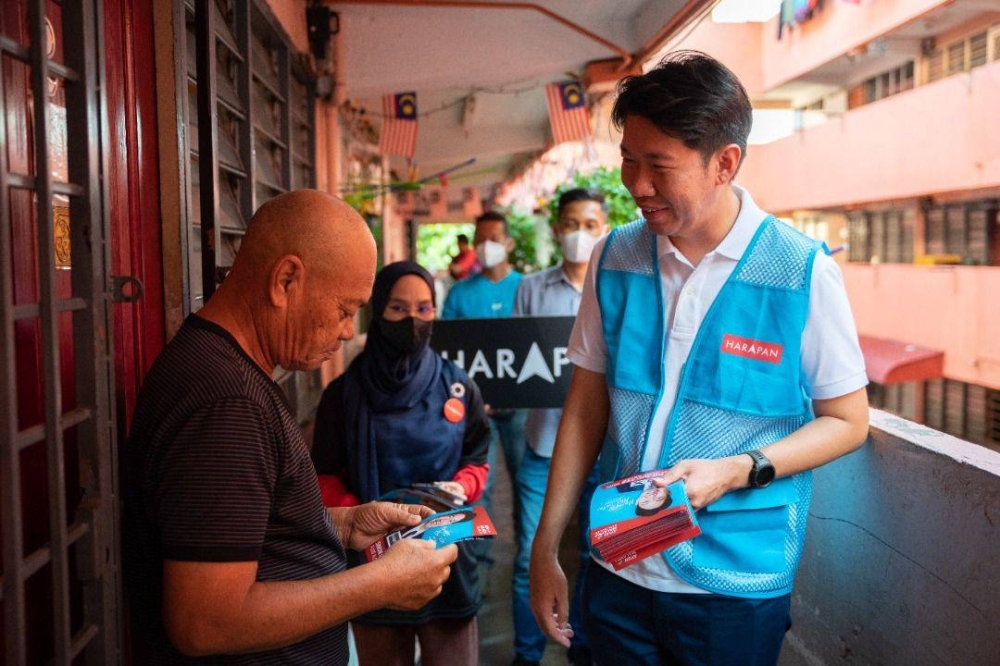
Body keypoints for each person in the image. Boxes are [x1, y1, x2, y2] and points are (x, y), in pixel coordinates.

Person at [529, 51, 870, 666]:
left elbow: (848, 420)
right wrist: (546, 544)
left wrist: (739, 469)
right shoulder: (615, 258)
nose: (636, 185)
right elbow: (584, 407)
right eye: (629, 161)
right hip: (616, 568)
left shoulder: (800, 272)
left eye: (658, 165)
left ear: (725, 163)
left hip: (732, 591)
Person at [123, 190, 458, 666]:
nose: (347, 332)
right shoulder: (226, 403)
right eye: (344, 309)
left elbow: (246, 529)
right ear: (285, 279)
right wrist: (380, 584)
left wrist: (341, 525)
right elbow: (206, 622)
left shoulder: (227, 372)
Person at [311, 261, 491, 666]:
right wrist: (364, 516)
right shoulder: (344, 395)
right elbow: (323, 477)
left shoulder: (458, 386)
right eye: (398, 308)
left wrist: (462, 486)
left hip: (448, 555)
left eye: (424, 309)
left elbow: (477, 456)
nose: (413, 319)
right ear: (377, 312)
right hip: (374, 557)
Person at [509, 188, 608, 666]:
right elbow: (509, 360)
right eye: (571, 224)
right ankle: (527, 656)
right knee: (532, 556)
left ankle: (582, 652)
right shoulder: (531, 288)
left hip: (604, 452)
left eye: (591, 225)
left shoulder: (616, 286)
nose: (580, 235)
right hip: (543, 445)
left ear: (605, 228)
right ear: (556, 228)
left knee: (596, 557)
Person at [440, 211, 527, 551]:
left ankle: (528, 556)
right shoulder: (459, 295)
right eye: (481, 240)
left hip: (522, 410)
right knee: (479, 487)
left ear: (509, 242)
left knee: (527, 484)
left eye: (494, 239)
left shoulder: (527, 287)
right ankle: (478, 563)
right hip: (476, 411)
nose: (487, 246)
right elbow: (447, 350)